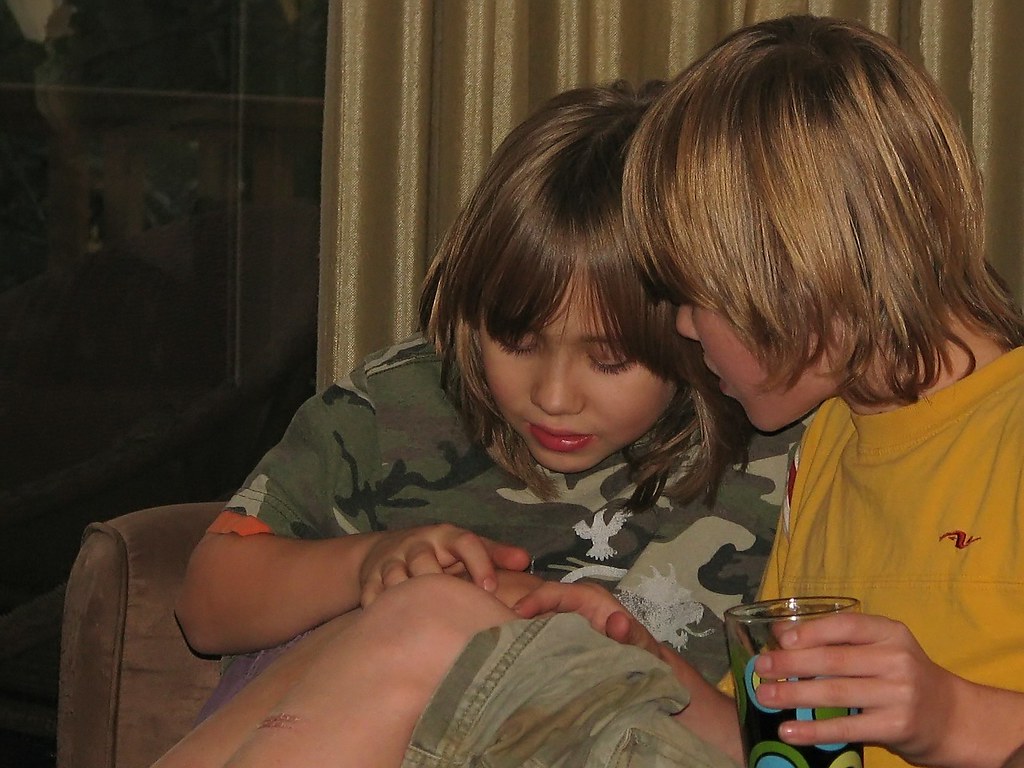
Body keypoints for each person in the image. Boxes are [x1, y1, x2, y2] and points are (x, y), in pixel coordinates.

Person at [152, 79, 801, 767]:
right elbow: (206, 605)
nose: (554, 396)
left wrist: (622, 656)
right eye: (516, 341)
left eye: (609, 360)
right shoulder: (395, 406)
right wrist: (369, 566)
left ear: (695, 322)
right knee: (434, 615)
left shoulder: (770, 444)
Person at [612, 13, 1024, 768]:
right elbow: (790, 743)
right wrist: (633, 661)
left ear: (801, 274)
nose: (683, 326)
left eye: (697, 294)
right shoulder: (830, 439)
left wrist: (953, 718)